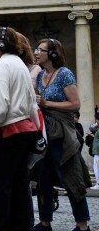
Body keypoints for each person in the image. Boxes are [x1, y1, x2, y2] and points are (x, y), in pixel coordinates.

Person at [0, 27, 39, 231]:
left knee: (1, 185)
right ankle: (20, 225)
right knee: (19, 185)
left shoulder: (2, 66)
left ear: (2, 44)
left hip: (7, 132)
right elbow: (31, 102)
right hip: (23, 131)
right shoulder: (19, 64)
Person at [33, 37, 91, 231]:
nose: (36, 52)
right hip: (45, 137)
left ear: (53, 54)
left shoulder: (64, 74)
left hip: (63, 136)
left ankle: (82, 225)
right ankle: (44, 222)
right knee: (43, 180)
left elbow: (75, 105)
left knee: (71, 178)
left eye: (40, 50)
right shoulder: (40, 75)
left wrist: (47, 104)